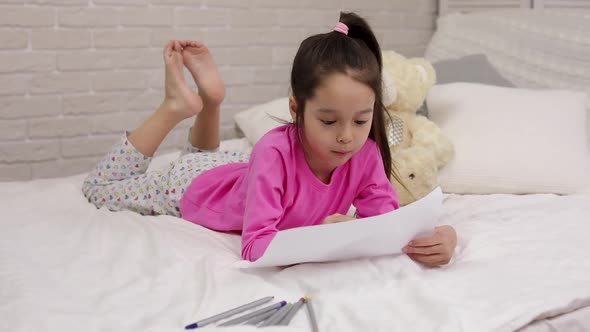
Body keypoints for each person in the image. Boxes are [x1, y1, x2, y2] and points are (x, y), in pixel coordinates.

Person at [82, 12, 457, 266]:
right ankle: (175, 105)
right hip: (192, 187)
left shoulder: (366, 152)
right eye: (328, 121)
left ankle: (210, 103)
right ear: (296, 108)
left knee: (199, 155)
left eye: (361, 120)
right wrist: (321, 238)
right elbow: (254, 247)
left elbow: (388, 225)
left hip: (233, 170)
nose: (347, 137)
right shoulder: (273, 151)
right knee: (100, 188)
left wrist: (442, 236)